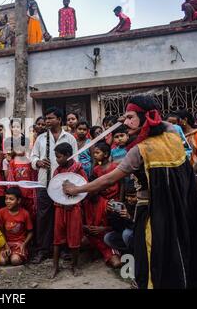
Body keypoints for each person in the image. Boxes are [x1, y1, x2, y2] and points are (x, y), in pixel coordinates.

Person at [64, 95, 197, 289]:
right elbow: (159, 122)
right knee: (177, 248)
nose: (126, 122)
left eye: (130, 117)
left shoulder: (140, 150)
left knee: (149, 253)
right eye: (125, 118)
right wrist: (139, 117)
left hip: (151, 213)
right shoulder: (172, 134)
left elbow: (109, 179)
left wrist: (77, 189)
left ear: (146, 117)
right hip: (179, 206)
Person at [30, 107, 78, 264]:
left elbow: (75, 159)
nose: (47, 121)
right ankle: (43, 250)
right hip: (44, 183)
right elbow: (33, 156)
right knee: (43, 217)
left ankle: (63, 249)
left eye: (50, 118)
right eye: (46, 118)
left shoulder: (69, 138)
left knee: (63, 218)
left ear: (59, 119)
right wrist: (38, 162)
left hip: (63, 185)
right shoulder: (41, 138)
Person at [51, 143, 87, 278]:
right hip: (59, 207)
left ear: (67, 155)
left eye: (59, 157)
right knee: (57, 237)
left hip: (74, 207)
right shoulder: (57, 171)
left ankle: (75, 265)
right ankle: (55, 266)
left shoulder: (78, 169)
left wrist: (73, 199)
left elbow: (84, 186)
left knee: (74, 236)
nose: (57, 159)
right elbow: (53, 188)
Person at [85, 142, 122, 268]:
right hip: (103, 200)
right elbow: (96, 185)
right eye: (94, 153)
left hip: (114, 200)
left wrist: (120, 200)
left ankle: (114, 250)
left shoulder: (115, 167)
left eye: (97, 153)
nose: (94, 155)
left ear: (106, 154)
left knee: (114, 222)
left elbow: (121, 184)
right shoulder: (96, 169)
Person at [0, 187, 33, 266]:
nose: (8, 201)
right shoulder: (1, 212)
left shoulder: (25, 213)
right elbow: (0, 231)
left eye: (11, 199)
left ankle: (14, 256)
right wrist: (6, 246)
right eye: (6, 199)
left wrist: (24, 244)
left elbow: (30, 232)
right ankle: (8, 256)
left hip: (19, 244)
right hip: (6, 243)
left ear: (18, 200)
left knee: (15, 261)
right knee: (2, 262)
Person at [104, 184, 137, 254]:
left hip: (138, 235)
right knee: (108, 238)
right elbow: (117, 228)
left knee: (126, 234)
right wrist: (112, 214)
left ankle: (136, 253)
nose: (129, 199)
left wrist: (129, 218)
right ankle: (129, 252)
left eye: (133, 196)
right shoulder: (124, 205)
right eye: (127, 196)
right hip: (127, 236)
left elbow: (141, 228)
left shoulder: (141, 206)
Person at [177, 109, 197, 175]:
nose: (176, 124)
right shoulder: (176, 136)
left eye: (177, 121)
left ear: (185, 120)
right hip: (182, 173)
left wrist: (193, 171)